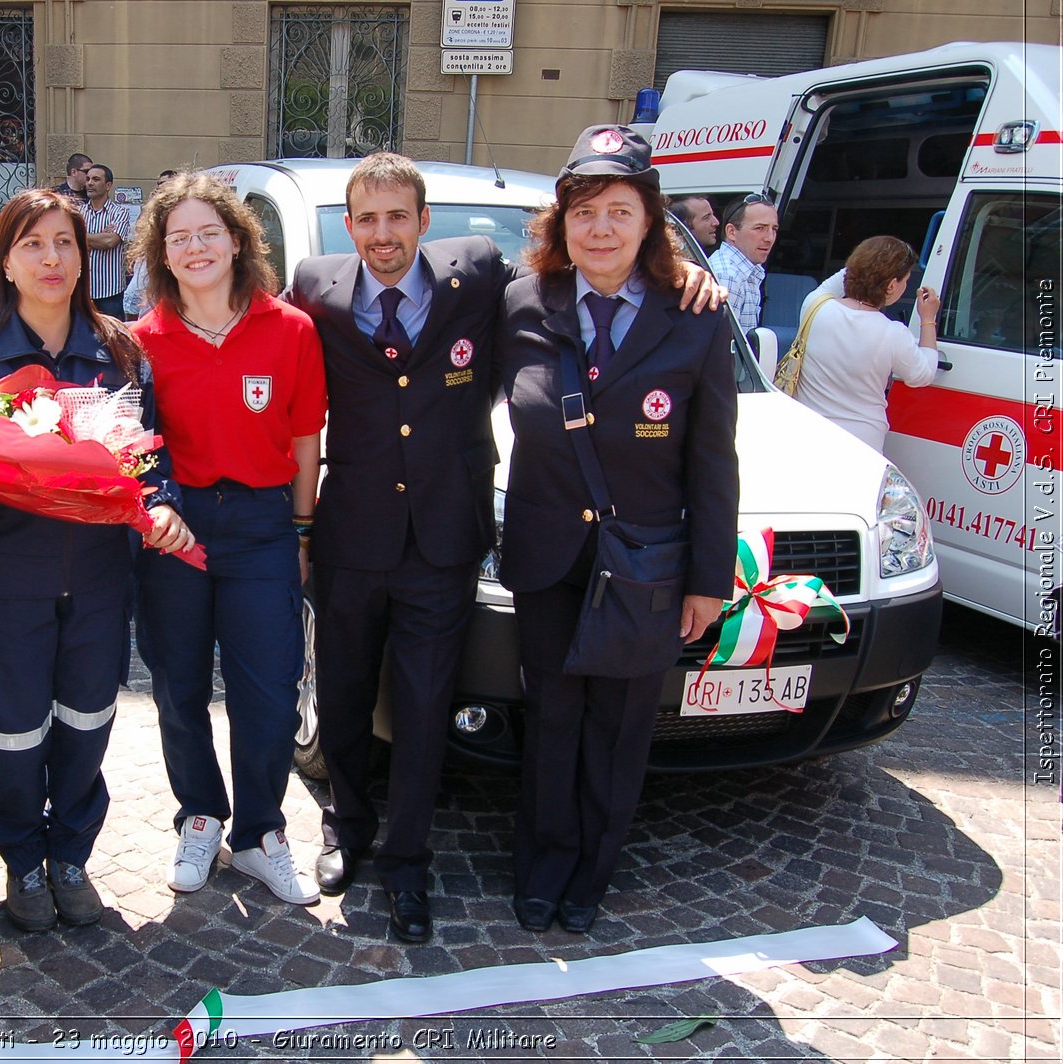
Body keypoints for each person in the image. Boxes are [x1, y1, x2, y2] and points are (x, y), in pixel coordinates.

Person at [285, 152, 724, 945]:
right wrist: (298, 525)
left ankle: (408, 863)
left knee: (424, 709)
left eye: (398, 217)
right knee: (345, 698)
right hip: (353, 535)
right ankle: (347, 831)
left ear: (424, 223)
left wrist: (695, 278)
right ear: (349, 227)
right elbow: (277, 376)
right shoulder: (315, 286)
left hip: (449, 539)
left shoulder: (482, 278)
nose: (383, 234)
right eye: (367, 219)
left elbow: (708, 448)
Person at [0, 188, 191, 934]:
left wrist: (161, 506)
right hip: (8, 583)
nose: (52, 258)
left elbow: (150, 463)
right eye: (33, 244)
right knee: (13, 731)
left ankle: (71, 855)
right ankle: (22, 861)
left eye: (64, 242)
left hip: (100, 581)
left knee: (87, 723)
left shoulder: (121, 353)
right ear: (5, 258)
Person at [497, 125, 739, 936]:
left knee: (622, 728)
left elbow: (712, 461)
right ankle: (542, 869)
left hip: (645, 563)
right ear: (560, 222)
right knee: (553, 719)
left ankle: (591, 878)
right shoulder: (520, 303)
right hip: (548, 558)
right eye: (584, 211)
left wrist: (711, 579)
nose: (600, 228)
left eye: (620, 211)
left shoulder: (695, 317)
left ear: (650, 221)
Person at [129, 173, 328, 906]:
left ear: (238, 240)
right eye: (178, 237)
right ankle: (201, 816)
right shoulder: (140, 343)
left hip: (262, 526)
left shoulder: (291, 330)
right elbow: (132, 447)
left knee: (270, 691)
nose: (195, 247)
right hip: (175, 529)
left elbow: (306, 438)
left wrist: (302, 528)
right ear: (162, 255)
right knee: (178, 688)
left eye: (208, 231)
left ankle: (261, 834)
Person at [791, 236, 941, 451]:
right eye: (905, 280)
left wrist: (869, 260)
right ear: (891, 285)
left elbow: (842, 277)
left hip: (806, 433)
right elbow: (923, 374)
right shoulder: (892, 333)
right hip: (862, 443)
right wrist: (928, 319)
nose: (906, 285)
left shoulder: (816, 306)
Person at [708, 192, 780, 331]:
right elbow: (723, 347)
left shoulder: (746, 271)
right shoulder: (728, 276)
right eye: (760, 228)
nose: (769, 238)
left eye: (774, 229)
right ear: (731, 232)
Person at [123, 170, 179, 319]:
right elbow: (140, 231)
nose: (159, 188)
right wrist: (150, 205)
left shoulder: (178, 211)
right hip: (144, 267)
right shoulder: (150, 208)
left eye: (164, 184)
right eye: (158, 184)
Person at [84, 164, 134, 319]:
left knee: (113, 341)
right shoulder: (77, 213)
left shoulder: (120, 212)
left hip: (110, 292)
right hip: (84, 292)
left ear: (108, 185)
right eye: (88, 179)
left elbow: (110, 242)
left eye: (96, 179)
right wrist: (99, 236)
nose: (90, 183)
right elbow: (70, 242)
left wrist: (82, 236)